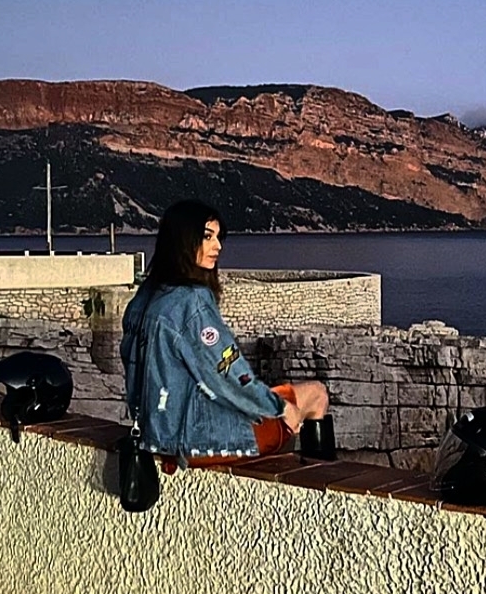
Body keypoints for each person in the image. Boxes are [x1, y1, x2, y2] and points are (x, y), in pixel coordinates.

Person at [120, 200, 336, 466]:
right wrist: (278, 407)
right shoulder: (192, 301)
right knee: (316, 393)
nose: (218, 246)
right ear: (182, 241)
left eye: (218, 237)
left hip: (154, 434)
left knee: (278, 395)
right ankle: (320, 476)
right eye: (207, 236)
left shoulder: (142, 299)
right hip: (200, 440)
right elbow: (227, 372)